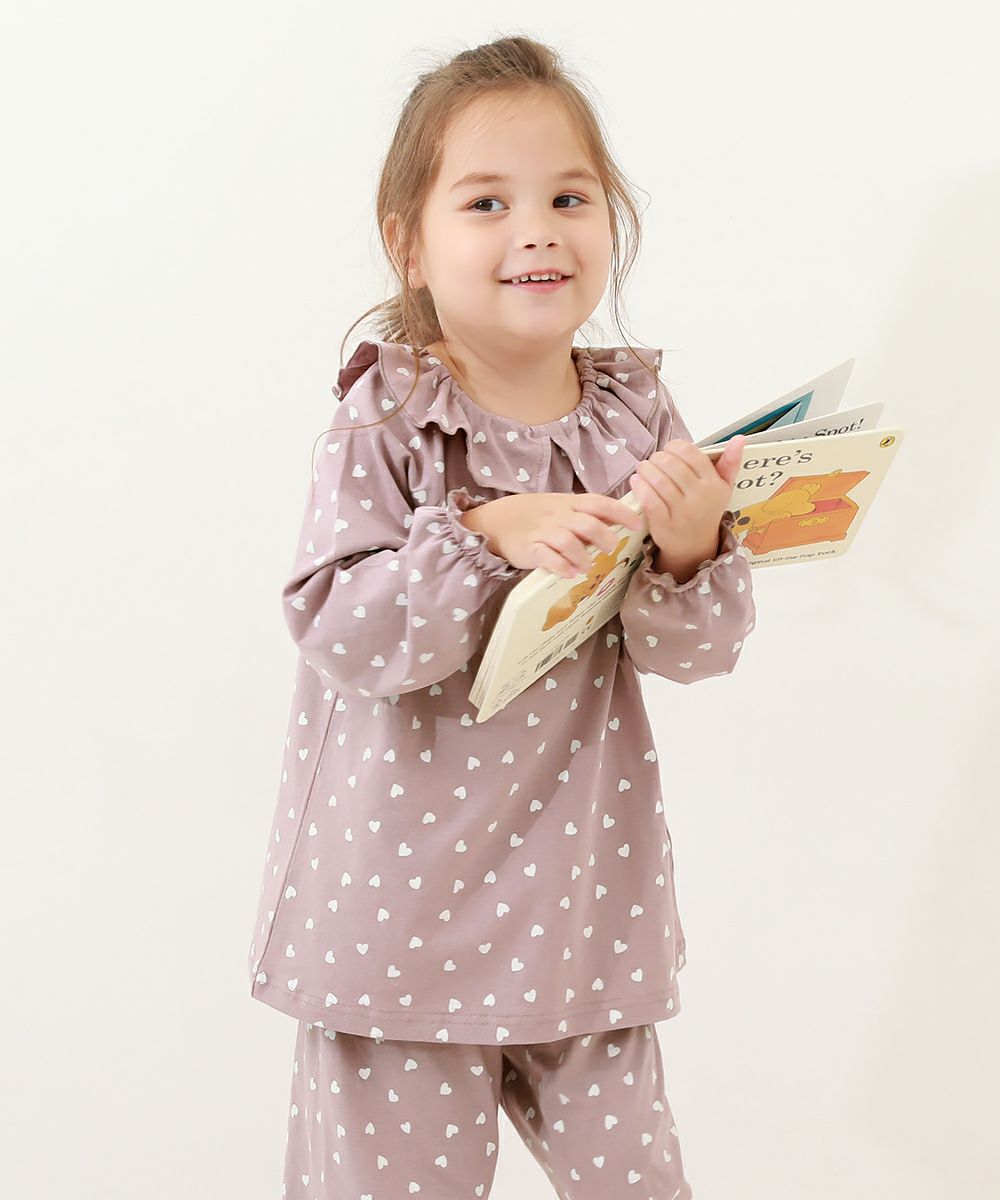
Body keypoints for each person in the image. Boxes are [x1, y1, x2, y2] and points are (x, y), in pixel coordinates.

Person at [246, 33, 756, 1200]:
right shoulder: (390, 417)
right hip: (399, 920)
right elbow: (341, 629)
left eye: (568, 198)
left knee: (634, 1177)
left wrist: (689, 547)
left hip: (582, 906)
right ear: (408, 244)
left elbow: (701, 651)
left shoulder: (634, 410)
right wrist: (479, 532)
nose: (537, 231)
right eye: (487, 202)